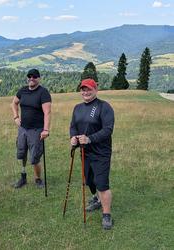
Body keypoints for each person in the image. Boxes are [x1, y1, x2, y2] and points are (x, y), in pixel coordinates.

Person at [69, 78, 114, 230]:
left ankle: (106, 215)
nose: (85, 92)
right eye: (83, 89)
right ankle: (97, 199)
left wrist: (90, 139)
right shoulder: (77, 108)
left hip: (101, 153)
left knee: (102, 184)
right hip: (84, 152)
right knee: (89, 181)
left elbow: (108, 130)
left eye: (88, 89)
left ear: (95, 90)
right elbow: (73, 126)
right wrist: (73, 138)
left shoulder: (104, 107)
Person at [11, 69, 51, 188]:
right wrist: (16, 117)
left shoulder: (43, 92)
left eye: (34, 76)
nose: (31, 78)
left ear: (39, 78)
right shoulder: (22, 90)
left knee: (34, 157)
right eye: (29, 76)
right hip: (23, 129)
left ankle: (38, 179)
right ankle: (23, 177)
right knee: (21, 153)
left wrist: (46, 130)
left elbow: (47, 112)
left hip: (36, 129)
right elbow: (14, 103)